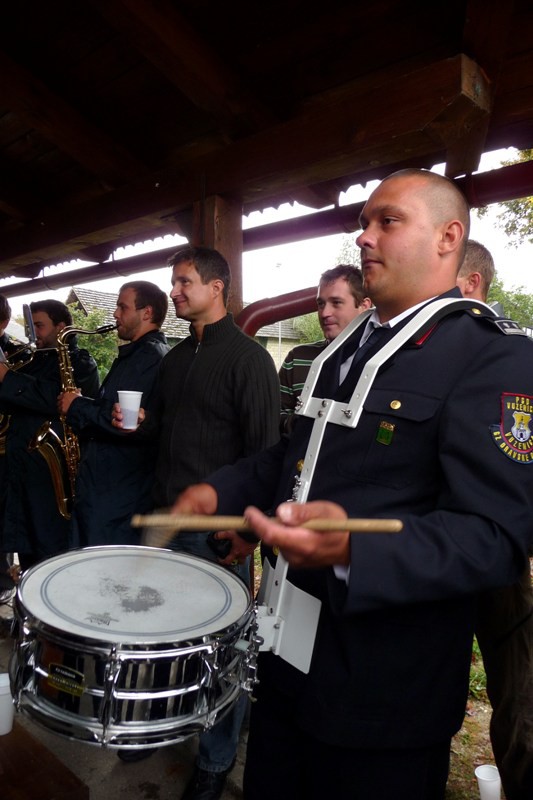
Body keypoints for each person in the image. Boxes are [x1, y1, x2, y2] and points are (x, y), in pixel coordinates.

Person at [167, 168, 533, 800]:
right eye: (363, 222)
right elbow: (295, 454)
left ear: (449, 238)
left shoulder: (494, 356)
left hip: (382, 696)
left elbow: (496, 536)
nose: (364, 237)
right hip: (287, 666)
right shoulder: (344, 349)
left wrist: (354, 549)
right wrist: (224, 491)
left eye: (387, 222)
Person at [116, 245, 280, 798]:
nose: (176, 291)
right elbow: (157, 429)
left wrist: (247, 532)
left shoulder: (250, 359)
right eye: (174, 281)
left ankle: (214, 761)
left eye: (184, 282)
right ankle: (159, 727)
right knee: (159, 642)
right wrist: (130, 420)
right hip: (161, 525)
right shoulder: (175, 360)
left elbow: (266, 455)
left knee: (221, 657)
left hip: (215, 537)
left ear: (217, 288)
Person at [456, 241, 533, 800]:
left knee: (517, 696)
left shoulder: (512, 354)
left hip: (501, 557)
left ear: (471, 283)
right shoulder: (427, 349)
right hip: (434, 552)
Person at [57, 281, 169, 548]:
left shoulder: (147, 356)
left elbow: (122, 419)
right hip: (112, 491)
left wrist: (76, 405)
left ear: (147, 313)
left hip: (116, 496)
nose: (115, 314)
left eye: (122, 307)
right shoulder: (138, 355)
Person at [0, 299, 99, 573]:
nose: (36, 334)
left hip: (53, 483)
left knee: (52, 555)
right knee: (28, 553)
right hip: (22, 475)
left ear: (61, 327)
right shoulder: (30, 360)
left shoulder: (81, 363)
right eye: (33, 327)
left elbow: (53, 398)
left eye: (40, 326)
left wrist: (7, 378)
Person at [279, 264, 371, 432]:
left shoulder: (380, 361)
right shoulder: (297, 358)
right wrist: (301, 424)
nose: (324, 313)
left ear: (364, 306)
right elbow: (276, 416)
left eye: (336, 303)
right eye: (321, 304)